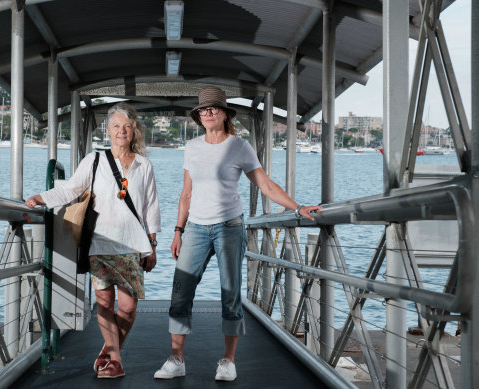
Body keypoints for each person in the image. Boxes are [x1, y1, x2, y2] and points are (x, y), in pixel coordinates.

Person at [154, 86, 321, 382]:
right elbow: (186, 194)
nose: (207, 114)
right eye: (203, 110)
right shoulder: (192, 147)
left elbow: (265, 185)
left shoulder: (239, 147)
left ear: (224, 114)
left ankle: (228, 361)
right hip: (195, 228)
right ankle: (176, 358)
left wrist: (297, 208)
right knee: (180, 293)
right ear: (198, 116)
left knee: (230, 295)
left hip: (229, 226)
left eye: (213, 109)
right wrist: (178, 230)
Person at [25, 102, 160, 379]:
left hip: (133, 244)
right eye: (116, 126)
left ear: (134, 131)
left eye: (126, 126)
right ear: (108, 131)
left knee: (129, 307)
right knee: (104, 302)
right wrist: (40, 198)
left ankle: (110, 350)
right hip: (99, 242)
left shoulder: (144, 165)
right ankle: (116, 360)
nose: (121, 131)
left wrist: (153, 245)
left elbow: (150, 207)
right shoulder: (94, 160)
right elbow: (71, 189)